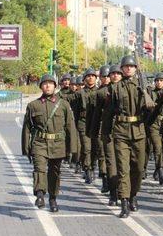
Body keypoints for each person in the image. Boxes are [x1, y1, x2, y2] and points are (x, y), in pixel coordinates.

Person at [21, 74, 78, 212]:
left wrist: (73, 149)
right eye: (45, 84)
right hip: (40, 143)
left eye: (50, 83)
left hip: (58, 143)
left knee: (55, 172)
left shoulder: (63, 105)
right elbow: (27, 128)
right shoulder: (33, 105)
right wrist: (26, 148)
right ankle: (40, 194)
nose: (47, 86)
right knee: (39, 169)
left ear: (55, 86)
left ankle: (53, 198)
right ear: (41, 86)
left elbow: (70, 127)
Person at [111, 55, 155, 218]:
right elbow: (109, 113)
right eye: (126, 66)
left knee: (138, 168)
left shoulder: (144, 88)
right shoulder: (115, 88)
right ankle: (124, 201)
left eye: (131, 66)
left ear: (136, 69)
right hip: (121, 132)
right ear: (122, 69)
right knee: (123, 169)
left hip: (139, 131)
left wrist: (148, 114)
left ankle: (133, 195)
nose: (128, 68)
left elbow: (155, 112)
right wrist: (105, 135)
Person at [91, 64, 122, 206]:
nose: (114, 76)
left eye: (117, 73)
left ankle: (126, 193)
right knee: (111, 162)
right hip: (107, 131)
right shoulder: (102, 93)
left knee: (124, 164)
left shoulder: (127, 89)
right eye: (111, 74)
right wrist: (93, 132)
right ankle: (113, 193)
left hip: (125, 132)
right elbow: (96, 114)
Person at [76, 68, 99, 184]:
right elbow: (75, 110)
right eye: (88, 76)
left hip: (95, 123)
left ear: (96, 78)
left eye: (92, 76)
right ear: (84, 79)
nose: (90, 78)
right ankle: (87, 169)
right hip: (83, 122)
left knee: (95, 148)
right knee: (86, 148)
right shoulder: (79, 93)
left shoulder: (99, 92)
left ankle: (93, 166)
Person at [91, 65, 111, 193]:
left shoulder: (117, 90)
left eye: (108, 76)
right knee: (102, 154)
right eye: (104, 76)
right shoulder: (98, 93)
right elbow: (94, 113)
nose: (107, 78)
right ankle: (104, 178)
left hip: (115, 128)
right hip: (101, 126)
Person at [146, 72, 163, 185]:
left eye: (161, 80)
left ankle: (158, 168)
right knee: (157, 147)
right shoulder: (150, 92)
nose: (159, 82)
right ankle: (161, 171)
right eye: (157, 80)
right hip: (154, 123)